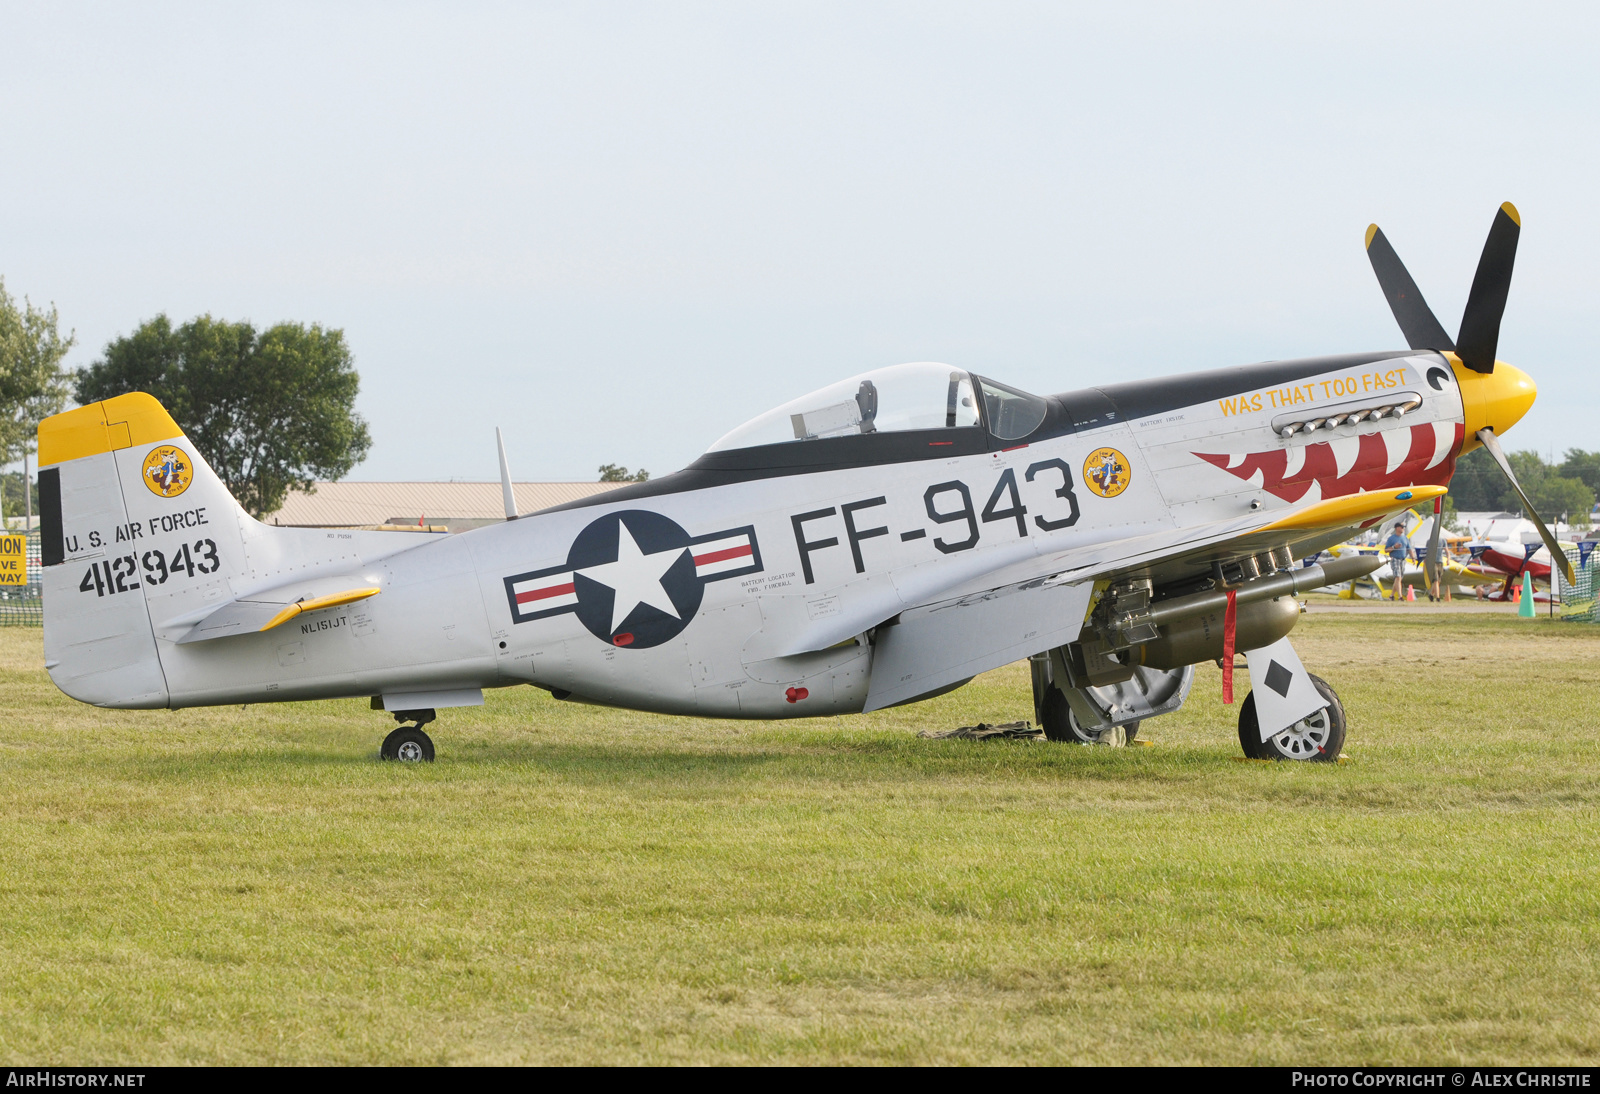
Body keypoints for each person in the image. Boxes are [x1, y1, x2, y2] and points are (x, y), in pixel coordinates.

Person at [1383, 521, 1409, 602]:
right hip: (1395, 559)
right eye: (1401, 527)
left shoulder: (1405, 538)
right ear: (1397, 528)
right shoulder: (1391, 538)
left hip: (1403, 560)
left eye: (1403, 527)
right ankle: (1400, 597)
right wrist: (1394, 547)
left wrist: (1413, 558)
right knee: (1398, 577)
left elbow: (1409, 548)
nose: (1403, 528)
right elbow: (1386, 550)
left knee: (1399, 579)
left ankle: (1391, 596)